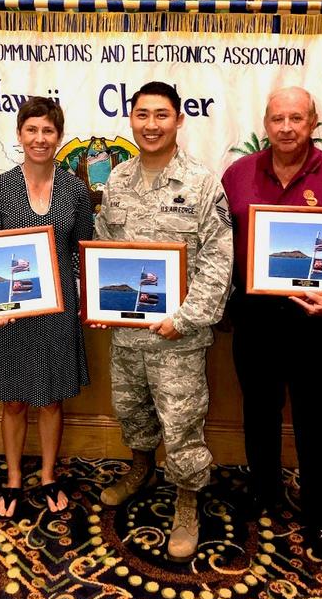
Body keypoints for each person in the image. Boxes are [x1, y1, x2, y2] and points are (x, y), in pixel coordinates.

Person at [222, 85, 322, 560]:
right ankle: (264, 492)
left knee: (318, 421)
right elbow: (222, 245)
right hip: (256, 317)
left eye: (296, 119)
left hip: (314, 319)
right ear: (266, 123)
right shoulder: (238, 174)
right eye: (278, 119)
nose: (286, 128)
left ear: (312, 123)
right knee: (259, 414)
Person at [94, 81, 233, 561]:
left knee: (182, 423)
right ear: (130, 119)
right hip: (127, 333)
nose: (151, 124)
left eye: (161, 115)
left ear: (178, 120)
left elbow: (218, 260)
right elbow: (105, 249)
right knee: (131, 410)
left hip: (178, 336)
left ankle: (188, 499)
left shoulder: (201, 183)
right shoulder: (116, 181)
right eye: (142, 114)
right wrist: (99, 301)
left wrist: (187, 318)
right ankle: (141, 468)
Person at [0, 97, 92, 519]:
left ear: (59, 137)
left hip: (58, 309)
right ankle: (12, 478)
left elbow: (82, 250)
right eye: (32, 130)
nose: (40, 138)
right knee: (12, 401)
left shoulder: (74, 188)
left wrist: (89, 300)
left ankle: (47, 475)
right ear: (20, 134)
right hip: (10, 309)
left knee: (50, 400)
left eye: (48, 131)